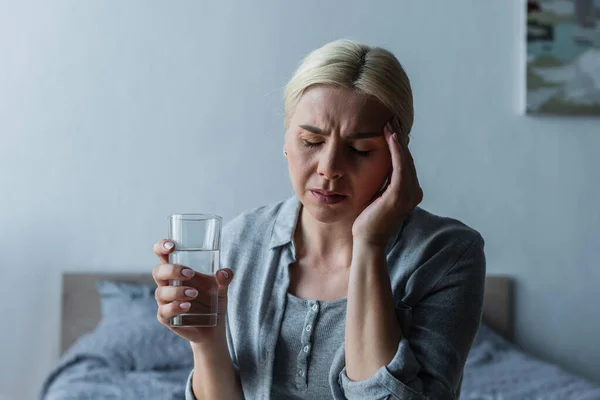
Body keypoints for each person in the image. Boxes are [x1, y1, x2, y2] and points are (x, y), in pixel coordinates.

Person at [152, 39, 486, 400]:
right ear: (286, 139)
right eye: (311, 141)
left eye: (359, 150)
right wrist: (206, 340)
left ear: (398, 153)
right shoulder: (240, 242)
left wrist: (370, 245)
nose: (329, 169)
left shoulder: (448, 255)